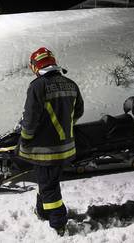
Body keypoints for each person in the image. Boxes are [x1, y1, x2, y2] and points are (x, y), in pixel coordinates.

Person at [18, 47, 84, 235]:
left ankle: (58, 223)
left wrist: (25, 138)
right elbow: (78, 112)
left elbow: (30, 120)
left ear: (35, 65)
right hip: (66, 147)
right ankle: (42, 211)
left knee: (48, 185)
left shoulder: (37, 86)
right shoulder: (71, 84)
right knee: (47, 181)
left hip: (45, 150)